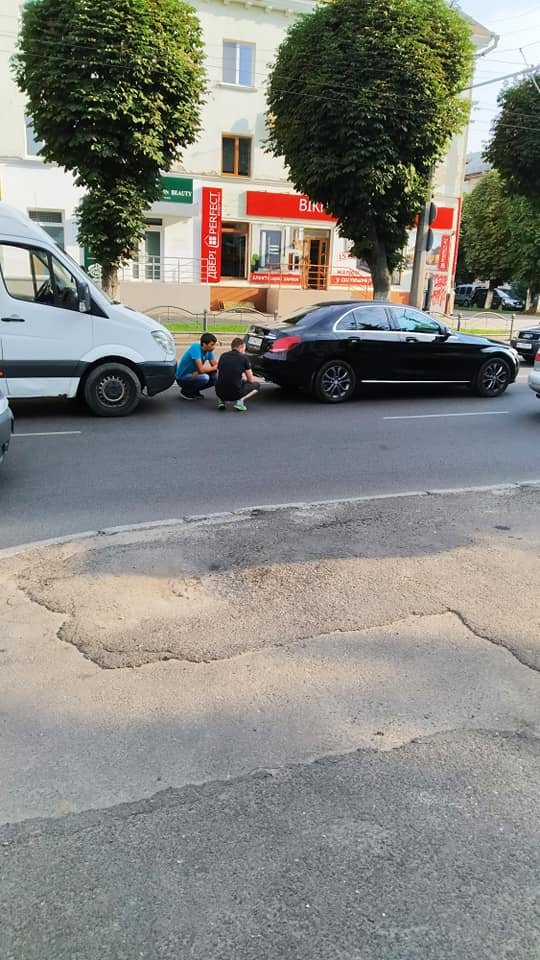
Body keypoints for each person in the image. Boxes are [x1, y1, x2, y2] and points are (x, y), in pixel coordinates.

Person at [216, 337, 260, 412]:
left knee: (222, 382)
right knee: (257, 385)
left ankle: (221, 401)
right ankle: (240, 401)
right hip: (235, 394)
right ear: (240, 347)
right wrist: (243, 379)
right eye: (244, 349)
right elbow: (251, 379)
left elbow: (218, 375)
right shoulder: (244, 358)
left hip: (219, 392)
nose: (244, 351)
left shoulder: (223, 356)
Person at [175, 333, 218, 399]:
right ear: (204, 344)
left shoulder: (209, 351)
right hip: (182, 378)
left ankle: (194, 391)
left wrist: (199, 372)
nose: (214, 347)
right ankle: (185, 392)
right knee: (205, 377)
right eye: (212, 345)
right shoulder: (195, 348)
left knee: (215, 376)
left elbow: (216, 366)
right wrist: (201, 371)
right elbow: (202, 369)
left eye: (215, 344)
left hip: (194, 375)